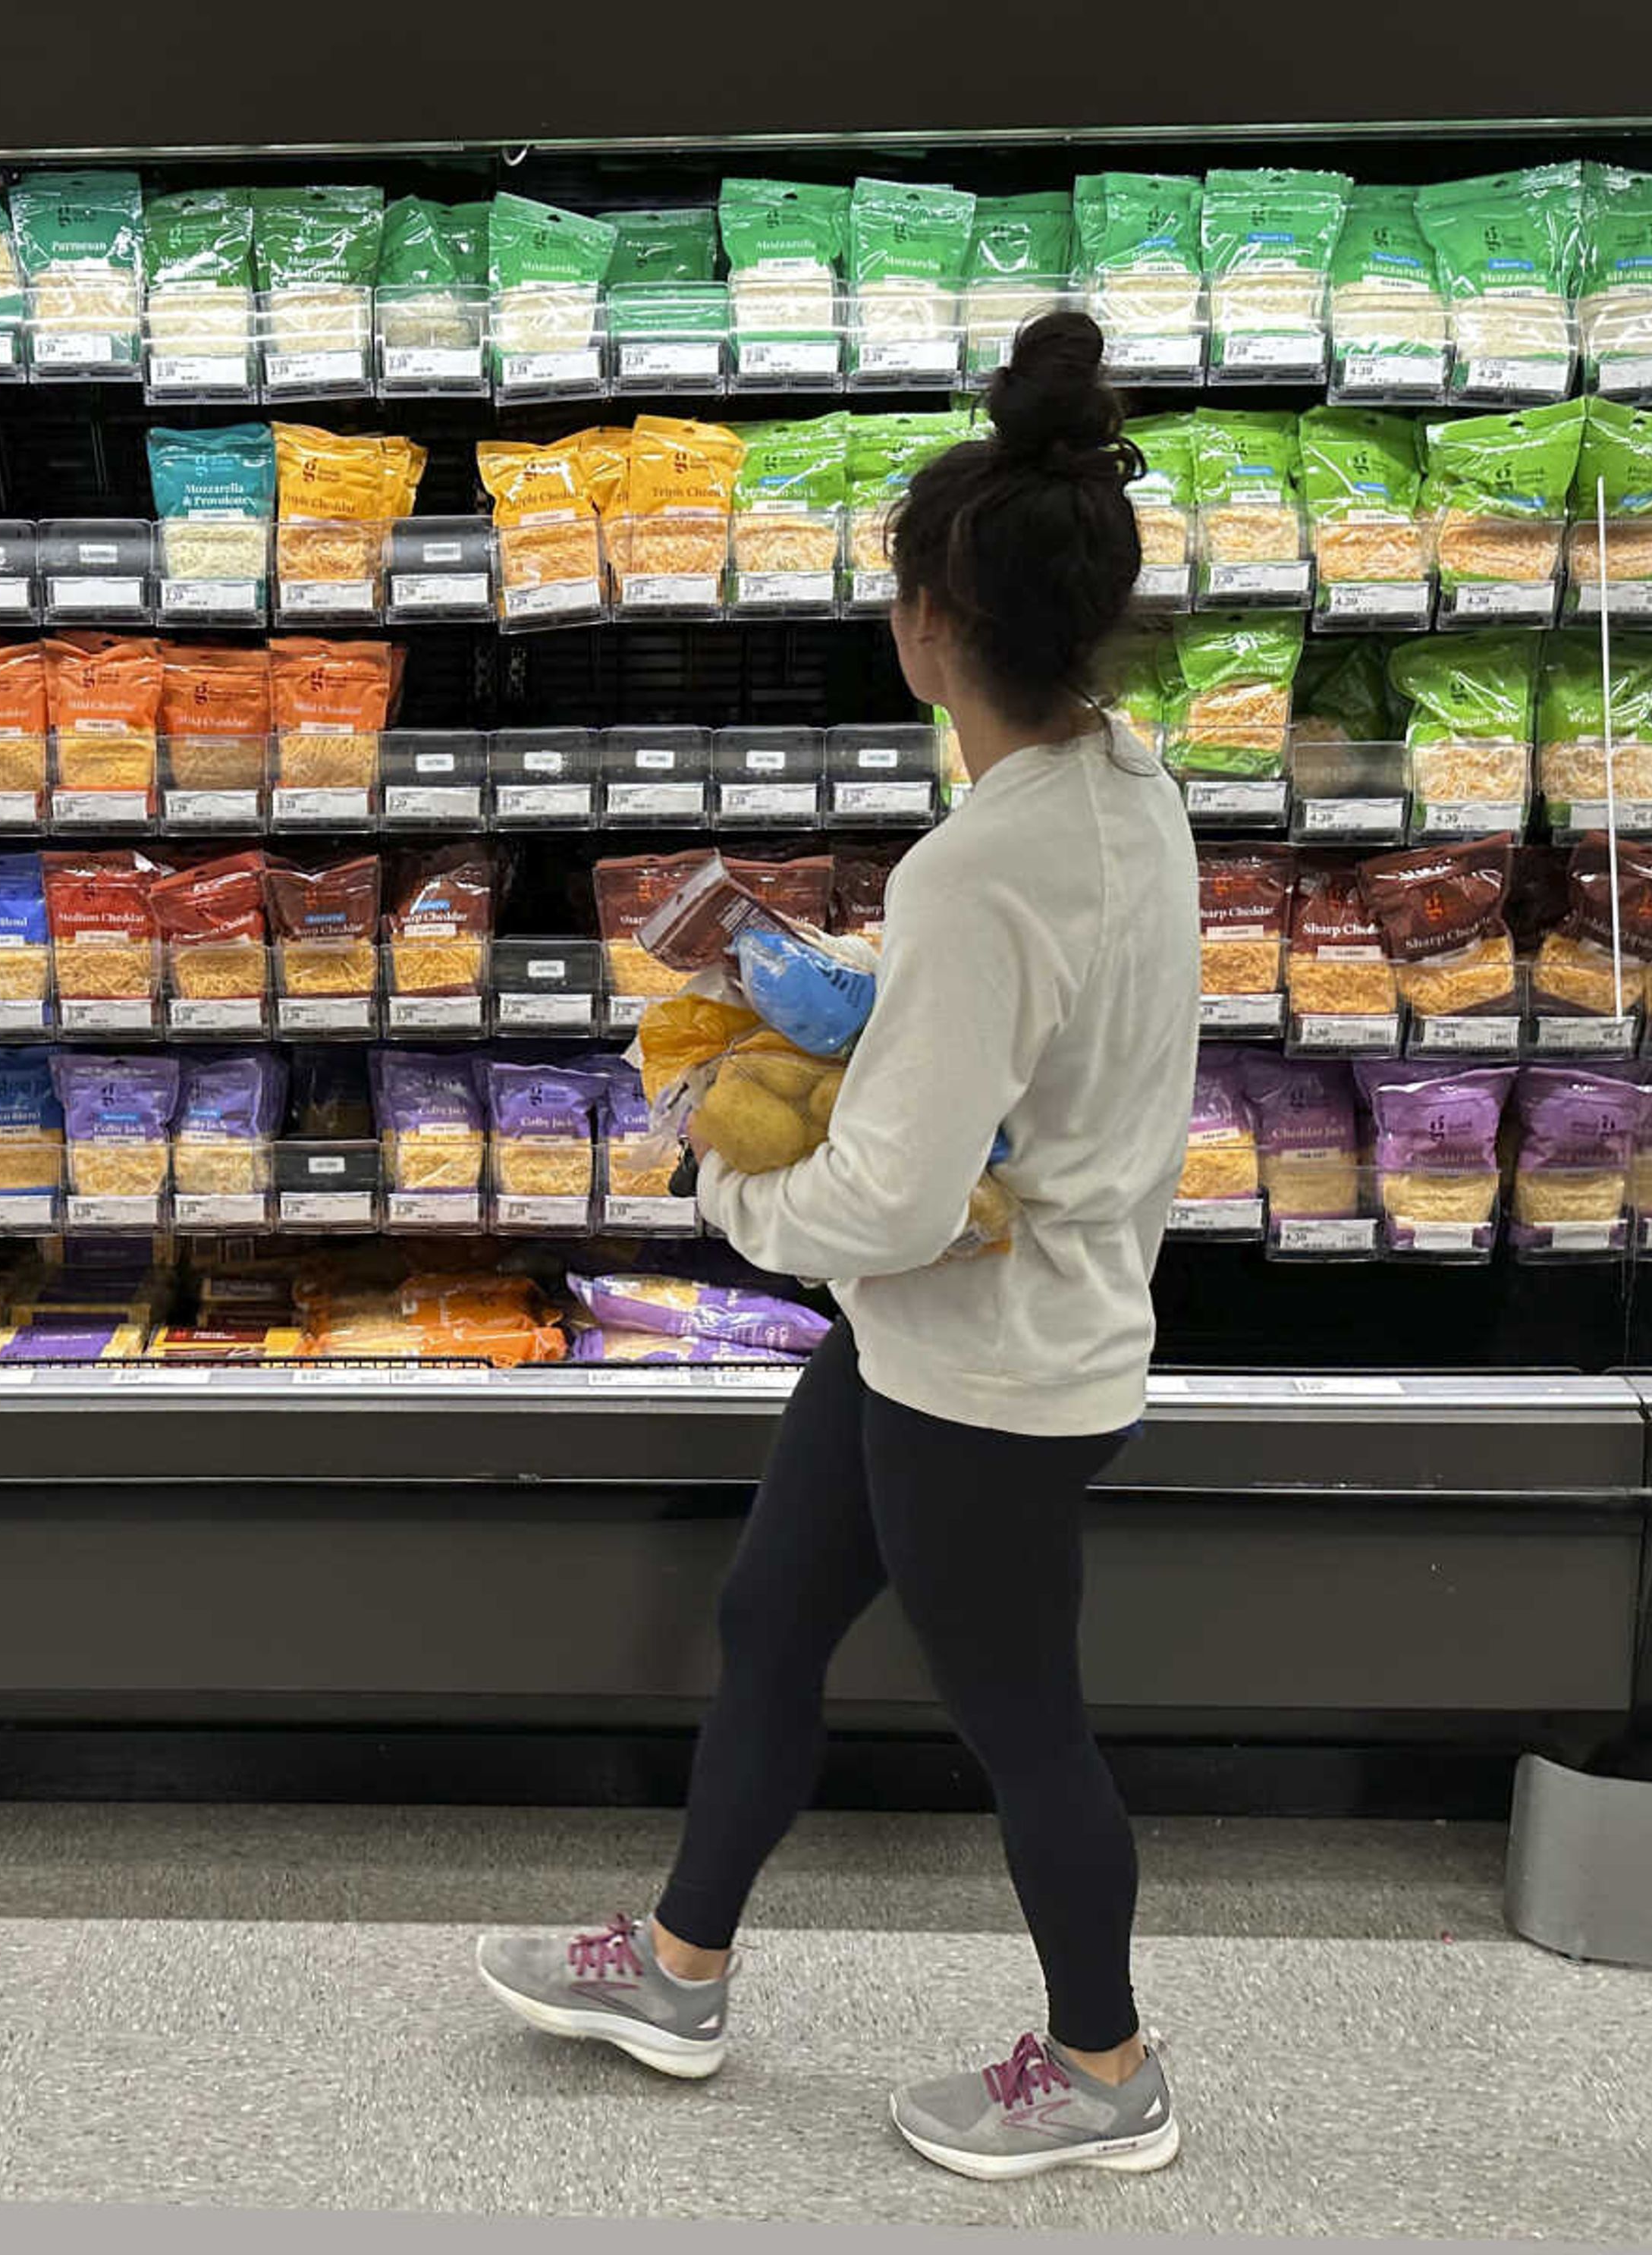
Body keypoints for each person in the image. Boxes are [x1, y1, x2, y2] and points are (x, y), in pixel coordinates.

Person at [476, 309, 1201, 2183]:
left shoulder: (981, 863)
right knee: (774, 1615)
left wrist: (721, 1186)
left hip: (987, 1361)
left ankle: (1107, 2063)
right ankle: (676, 1961)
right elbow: (1036, 1041)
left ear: (923, 629)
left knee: (1026, 1725)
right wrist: (865, 995)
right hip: (963, 1331)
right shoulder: (1127, 788)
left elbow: (881, 1198)